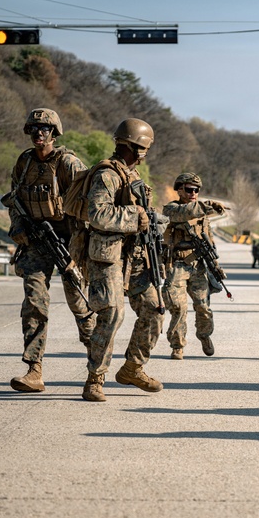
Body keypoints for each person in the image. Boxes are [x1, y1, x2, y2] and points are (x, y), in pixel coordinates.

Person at [4, 108, 95, 392]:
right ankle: (34, 369)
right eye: (34, 129)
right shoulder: (25, 162)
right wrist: (17, 225)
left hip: (67, 241)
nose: (39, 134)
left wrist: (78, 248)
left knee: (80, 304)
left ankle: (97, 367)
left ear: (54, 133)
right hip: (36, 241)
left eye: (44, 130)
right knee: (34, 301)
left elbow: (87, 204)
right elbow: (15, 199)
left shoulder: (68, 163)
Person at [80, 118, 169, 402]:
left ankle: (132, 368)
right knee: (112, 314)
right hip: (108, 257)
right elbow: (98, 214)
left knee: (155, 309)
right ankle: (95, 379)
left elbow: (142, 216)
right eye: (145, 149)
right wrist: (136, 218)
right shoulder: (107, 174)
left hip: (136, 257)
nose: (146, 154)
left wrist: (156, 222)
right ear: (137, 147)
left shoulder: (131, 176)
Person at [161, 172, 228, 360]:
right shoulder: (172, 209)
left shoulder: (202, 214)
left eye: (197, 190)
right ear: (179, 190)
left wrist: (216, 266)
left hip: (198, 265)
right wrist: (207, 206)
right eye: (190, 190)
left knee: (203, 306)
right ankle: (177, 345)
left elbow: (210, 242)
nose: (194, 193)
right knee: (178, 307)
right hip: (177, 266)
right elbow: (184, 212)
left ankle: (205, 336)